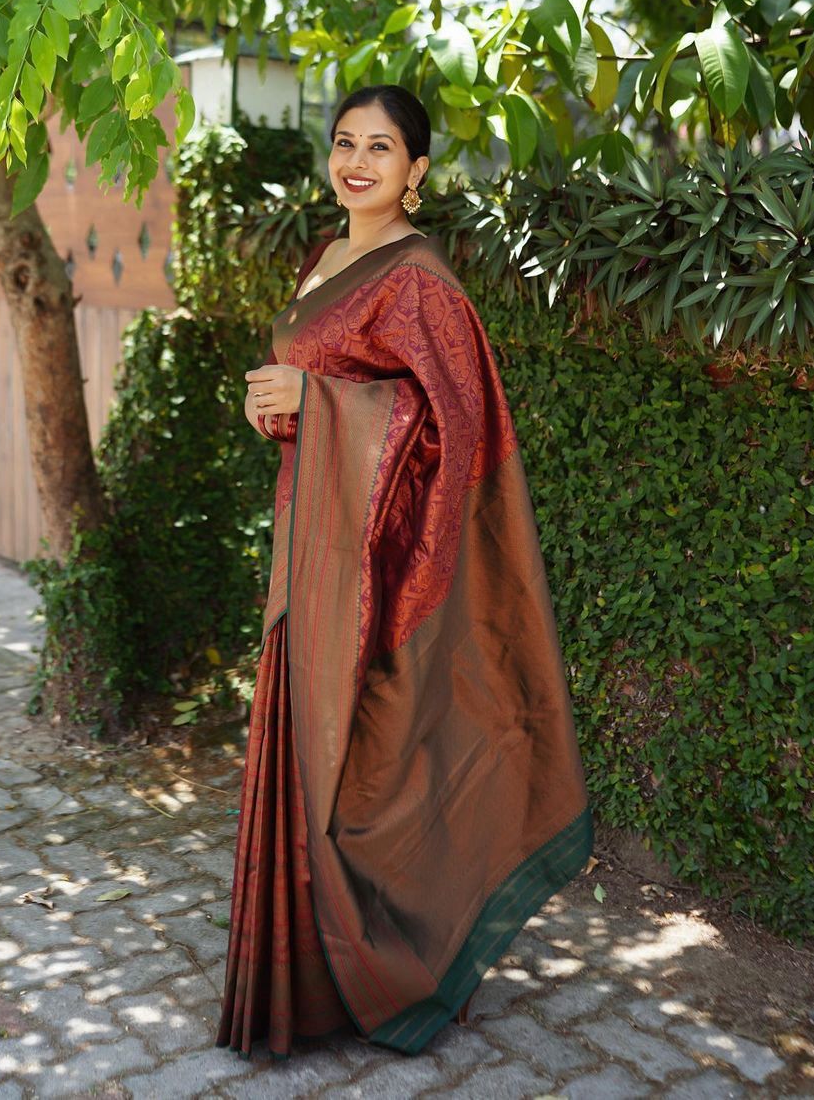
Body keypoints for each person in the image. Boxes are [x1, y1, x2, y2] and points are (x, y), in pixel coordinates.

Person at [215, 84, 594, 1061]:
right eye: (345, 142)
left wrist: (323, 403)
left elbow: (453, 428)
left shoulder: (422, 281)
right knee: (310, 751)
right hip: (315, 545)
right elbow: (339, 383)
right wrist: (291, 406)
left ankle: (396, 965)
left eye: (381, 148)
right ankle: (310, 971)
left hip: (374, 571)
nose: (357, 162)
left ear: (417, 172)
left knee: (364, 759)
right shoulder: (329, 253)